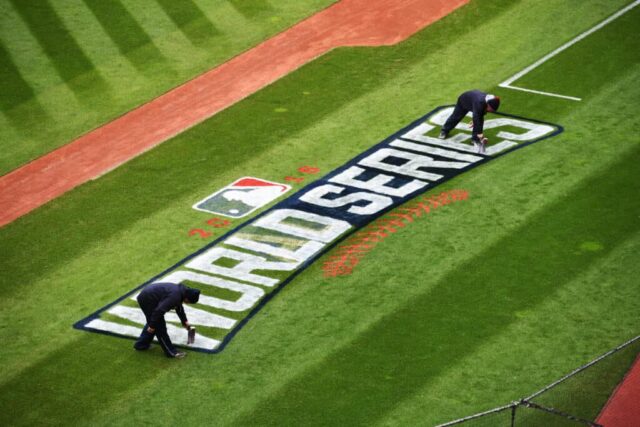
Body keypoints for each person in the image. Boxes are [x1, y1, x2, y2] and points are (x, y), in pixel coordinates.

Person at [133, 282, 201, 358]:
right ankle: (171, 352)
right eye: (188, 302)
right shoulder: (174, 296)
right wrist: (152, 325)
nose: (187, 303)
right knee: (159, 327)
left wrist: (184, 321)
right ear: (187, 298)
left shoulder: (182, 292)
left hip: (150, 296)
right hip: (147, 300)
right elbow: (159, 311)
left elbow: (179, 307)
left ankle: (141, 345)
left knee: (154, 322)